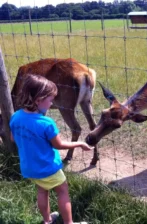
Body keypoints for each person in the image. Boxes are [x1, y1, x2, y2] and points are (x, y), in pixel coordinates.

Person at [10, 74, 93, 224]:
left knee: (42, 191)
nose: (51, 103)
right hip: (48, 167)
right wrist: (79, 144)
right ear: (38, 100)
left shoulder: (16, 117)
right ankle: (69, 223)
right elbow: (59, 145)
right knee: (62, 191)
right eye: (50, 99)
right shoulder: (46, 123)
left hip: (29, 168)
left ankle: (47, 221)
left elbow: (12, 138)